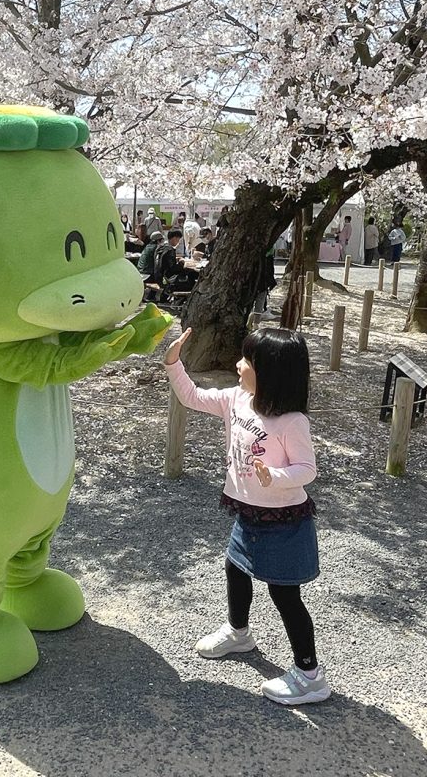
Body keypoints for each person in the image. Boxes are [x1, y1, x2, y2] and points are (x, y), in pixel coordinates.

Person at [164, 326, 329, 705]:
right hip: (247, 511)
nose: (238, 366)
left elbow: (307, 469)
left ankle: (310, 675)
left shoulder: (291, 422)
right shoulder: (237, 398)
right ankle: (239, 633)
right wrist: (173, 363)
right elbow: (191, 397)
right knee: (235, 568)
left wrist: (277, 476)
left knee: (284, 594)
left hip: (283, 520)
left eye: (247, 361)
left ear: (270, 371)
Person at [153, 228, 195, 297]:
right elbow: (173, 269)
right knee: (191, 278)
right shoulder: (170, 250)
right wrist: (182, 263)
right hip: (168, 281)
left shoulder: (160, 248)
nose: (178, 242)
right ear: (174, 238)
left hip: (159, 278)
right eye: (178, 239)